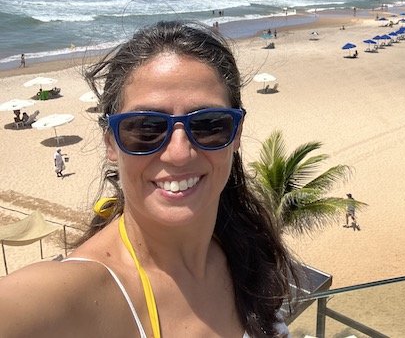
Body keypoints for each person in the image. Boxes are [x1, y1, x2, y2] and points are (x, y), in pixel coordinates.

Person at [0, 21, 295, 337]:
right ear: (111, 142)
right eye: (145, 127)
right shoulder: (78, 295)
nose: (178, 154)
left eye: (209, 124)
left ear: (236, 134)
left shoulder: (249, 253)